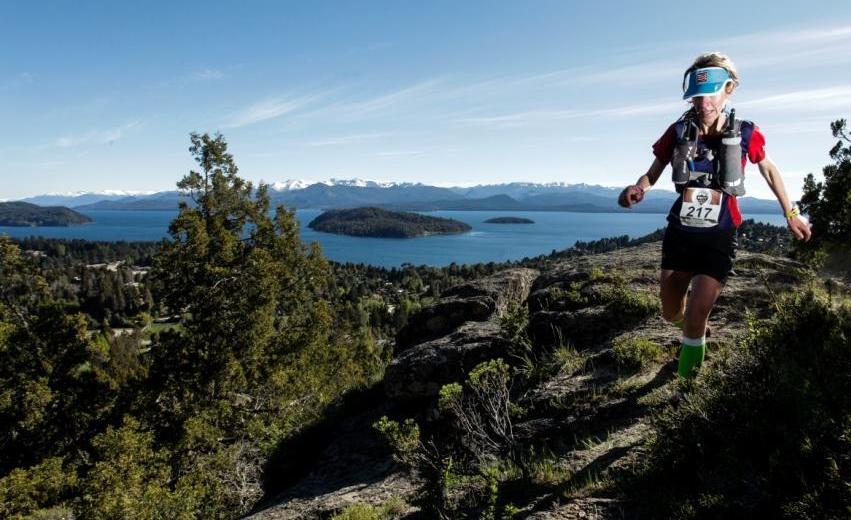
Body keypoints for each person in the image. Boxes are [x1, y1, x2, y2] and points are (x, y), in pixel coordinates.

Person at [618, 52, 811, 379]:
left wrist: (790, 212)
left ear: (729, 89)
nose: (703, 101)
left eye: (711, 92)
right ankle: (695, 330)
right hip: (681, 232)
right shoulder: (678, 131)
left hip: (719, 235)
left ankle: (686, 387)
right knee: (669, 312)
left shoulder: (746, 132)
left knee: (695, 317)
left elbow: (769, 169)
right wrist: (638, 189)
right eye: (697, 94)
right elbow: (651, 173)